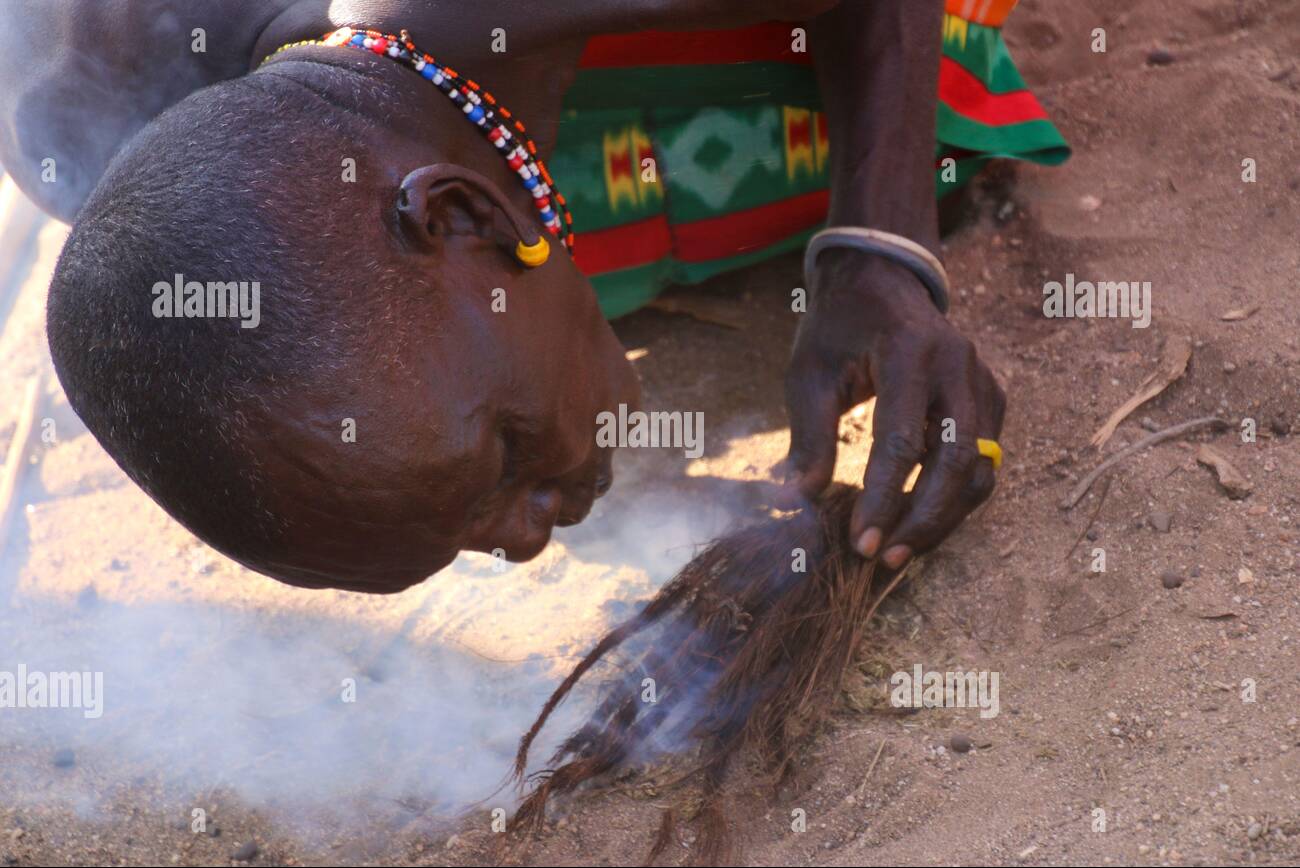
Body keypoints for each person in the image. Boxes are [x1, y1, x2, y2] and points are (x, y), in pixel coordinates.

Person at [0, 0, 1065, 592]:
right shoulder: (78, 139)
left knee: (959, 90)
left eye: (504, 464)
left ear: (464, 216)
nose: (527, 544)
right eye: (471, 538)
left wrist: (879, 248)